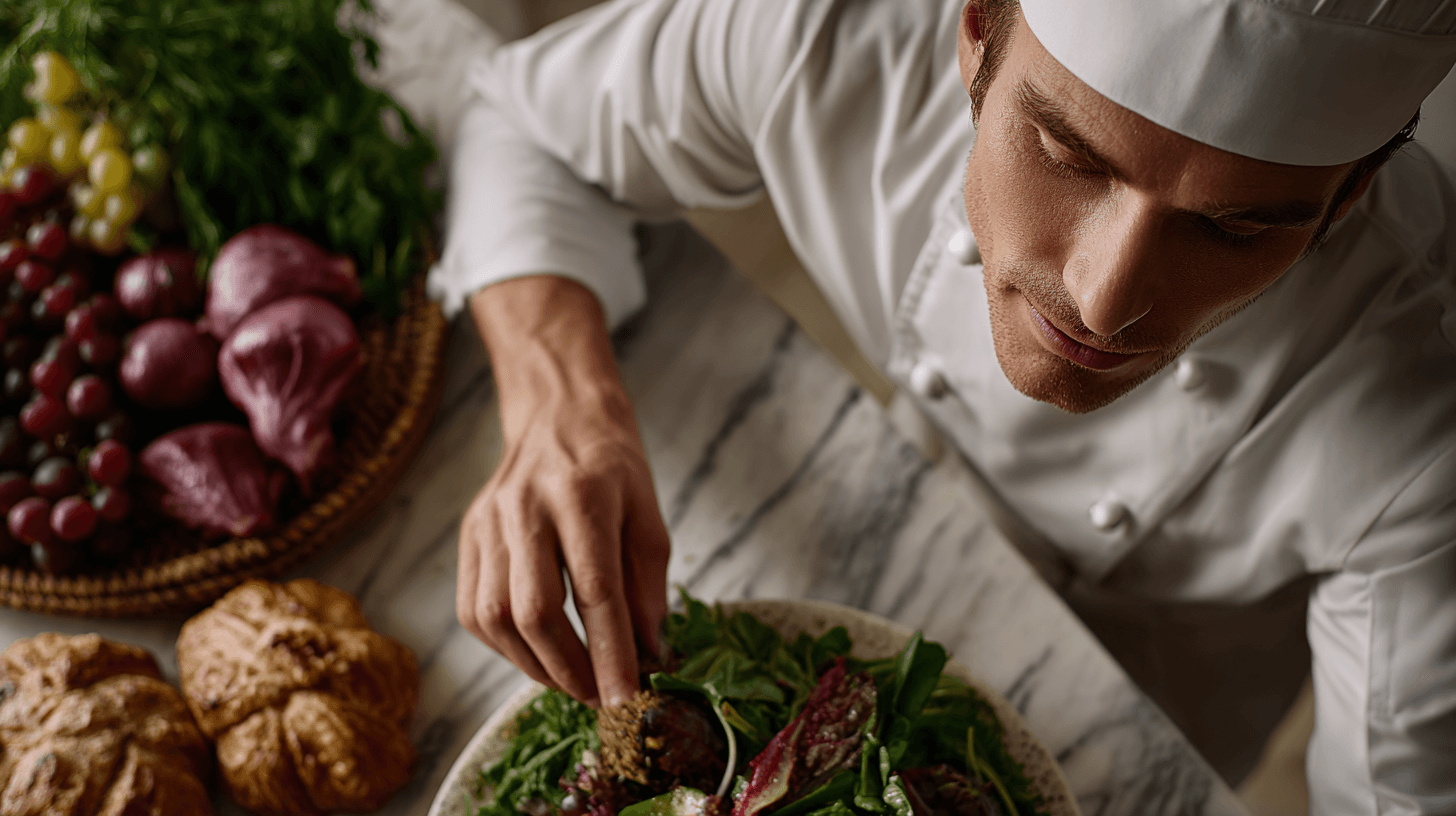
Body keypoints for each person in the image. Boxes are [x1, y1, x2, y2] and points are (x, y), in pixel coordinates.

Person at [431, 0, 1456, 808]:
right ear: (975, 31)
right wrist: (562, 406)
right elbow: (520, 120)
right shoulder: (828, 32)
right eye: (1068, 155)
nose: (1104, 300)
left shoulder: (1425, 433)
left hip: (1159, 712)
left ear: (1353, 191)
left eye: (1232, 229)